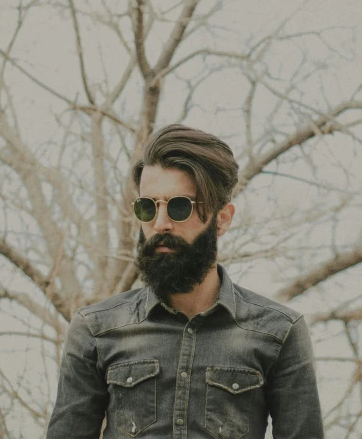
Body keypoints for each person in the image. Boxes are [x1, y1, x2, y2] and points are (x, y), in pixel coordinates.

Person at [46, 124, 324, 438]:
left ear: (222, 219)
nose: (160, 223)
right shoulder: (95, 330)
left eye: (179, 207)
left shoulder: (279, 332)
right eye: (147, 207)